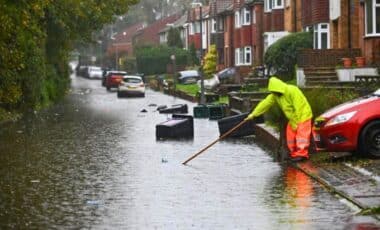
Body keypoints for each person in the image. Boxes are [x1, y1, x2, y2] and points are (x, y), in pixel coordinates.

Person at [245, 76, 313, 162]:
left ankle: (302, 154)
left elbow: (299, 107)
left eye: (275, 91)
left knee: (302, 135)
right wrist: (253, 114)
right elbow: (264, 104)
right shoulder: (275, 95)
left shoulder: (292, 90)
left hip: (303, 115)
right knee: (290, 136)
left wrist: (297, 122)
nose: (274, 93)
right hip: (293, 119)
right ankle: (294, 153)